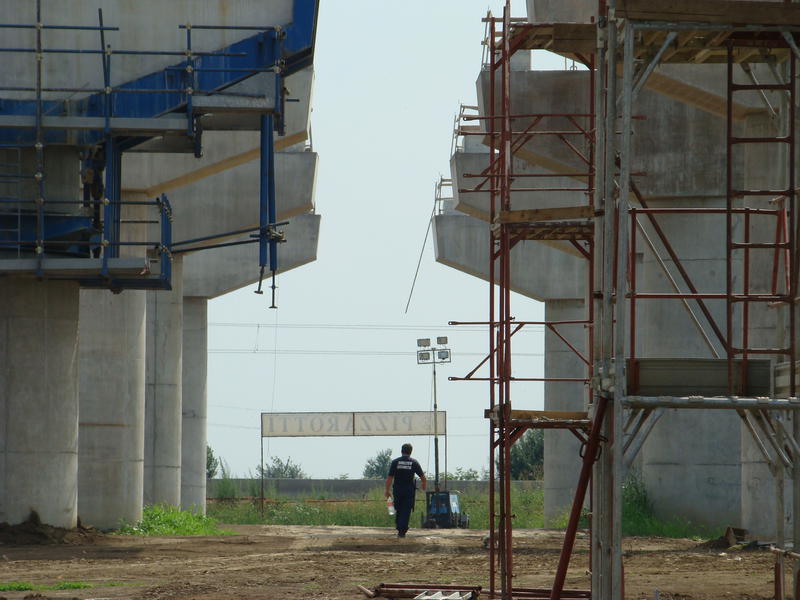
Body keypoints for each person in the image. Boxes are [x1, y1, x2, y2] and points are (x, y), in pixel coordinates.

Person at [384, 443, 426, 538]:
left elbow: (390, 478)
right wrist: (423, 486)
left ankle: (399, 528)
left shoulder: (395, 462)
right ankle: (402, 530)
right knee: (406, 510)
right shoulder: (414, 462)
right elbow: (423, 478)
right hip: (409, 490)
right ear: (411, 452)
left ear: (401, 451)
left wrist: (387, 490)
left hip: (398, 490)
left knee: (398, 508)